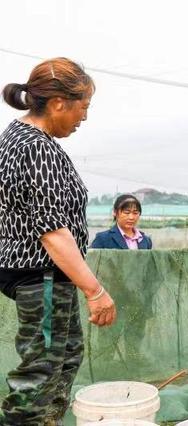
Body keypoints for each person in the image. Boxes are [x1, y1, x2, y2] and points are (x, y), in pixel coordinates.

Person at [0, 58, 116, 425]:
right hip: (42, 274)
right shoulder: (35, 147)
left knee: (64, 356)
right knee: (41, 369)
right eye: (83, 107)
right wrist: (95, 291)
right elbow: (52, 232)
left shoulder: (24, 140)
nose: (84, 117)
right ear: (58, 103)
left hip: (47, 276)